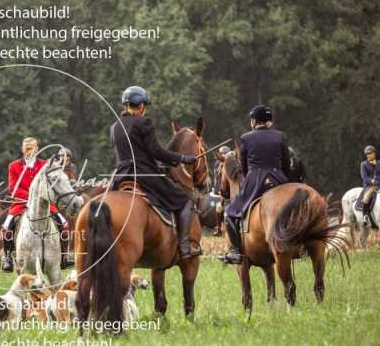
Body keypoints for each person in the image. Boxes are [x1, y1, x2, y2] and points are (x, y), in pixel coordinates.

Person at [110, 86, 202, 260]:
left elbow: (130, 154)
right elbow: (156, 151)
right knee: (184, 201)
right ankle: (184, 247)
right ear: (141, 105)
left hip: (120, 177)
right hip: (145, 176)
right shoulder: (144, 122)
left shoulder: (115, 126)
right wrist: (183, 158)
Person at [219, 105, 291, 264]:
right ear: (268, 122)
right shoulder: (280, 136)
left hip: (255, 181)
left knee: (229, 213)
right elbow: (286, 164)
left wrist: (250, 177)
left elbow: (244, 167)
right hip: (279, 179)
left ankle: (236, 251)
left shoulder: (246, 138)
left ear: (253, 121)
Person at [1, 137, 68, 272]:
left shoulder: (45, 165)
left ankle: (65, 256)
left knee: (64, 223)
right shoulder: (14, 166)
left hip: (43, 203)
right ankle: (8, 258)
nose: (28, 151)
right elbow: (13, 188)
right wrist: (30, 197)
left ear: (37, 149)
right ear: (22, 150)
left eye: (31, 148)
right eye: (26, 149)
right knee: (7, 226)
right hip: (21, 203)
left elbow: (51, 183)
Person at [358, 145, 380, 227]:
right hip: (369, 186)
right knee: (366, 197)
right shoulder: (363, 164)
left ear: (374, 154)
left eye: (370, 153)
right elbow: (364, 177)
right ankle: (365, 216)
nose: (369, 155)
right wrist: (372, 181)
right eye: (367, 154)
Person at [212, 145, 232, 237]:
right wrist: (217, 189)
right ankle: (218, 227)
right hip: (221, 191)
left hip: (232, 191)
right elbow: (217, 178)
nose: (223, 155)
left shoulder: (232, 163)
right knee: (218, 207)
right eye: (221, 154)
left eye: (224, 153)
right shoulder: (217, 164)